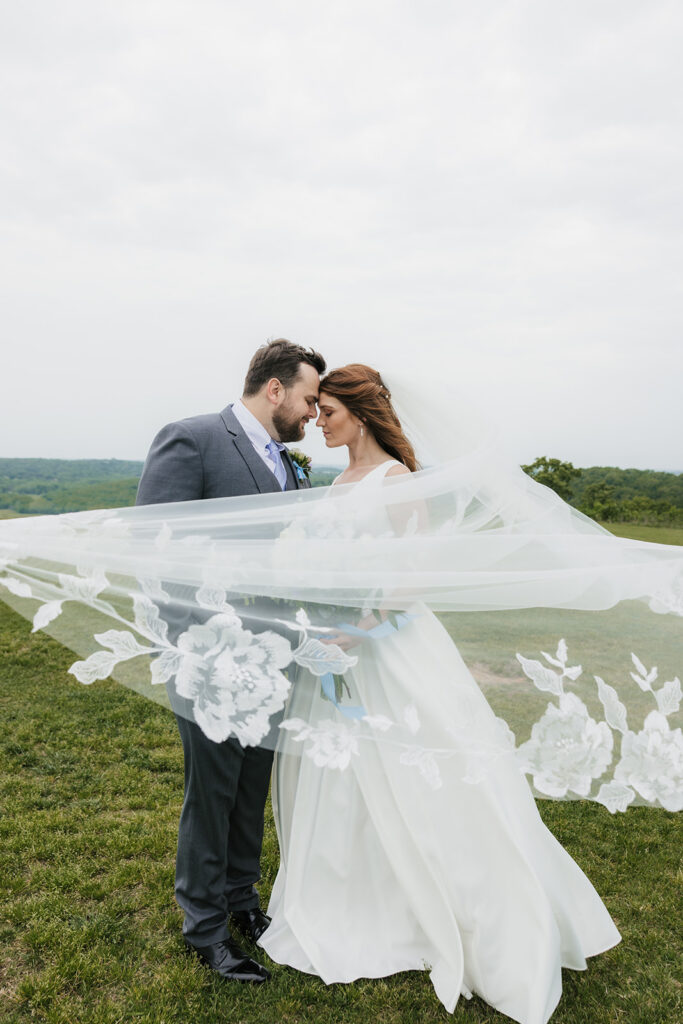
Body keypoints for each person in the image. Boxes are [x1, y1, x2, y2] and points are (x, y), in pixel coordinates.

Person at [258, 364, 622, 1024]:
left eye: (329, 411)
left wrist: (357, 633)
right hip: (336, 649)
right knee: (345, 775)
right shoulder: (336, 482)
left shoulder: (394, 483)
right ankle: (354, 900)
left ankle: (471, 913)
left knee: (421, 771)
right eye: (316, 412)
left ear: (361, 415)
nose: (318, 420)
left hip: (387, 650)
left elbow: (411, 579)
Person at [135, 338, 326, 983]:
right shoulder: (192, 439)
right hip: (211, 658)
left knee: (250, 789)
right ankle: (205, 927)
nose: (312, 414)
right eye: (307, 399)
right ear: (275, 389)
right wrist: (203, 651)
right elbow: (155, 551)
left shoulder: (289, 464)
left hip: (276, 655)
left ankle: (243, 901)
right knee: (212, 793)